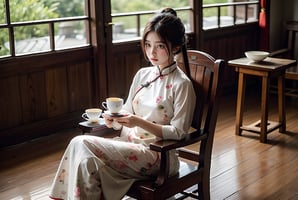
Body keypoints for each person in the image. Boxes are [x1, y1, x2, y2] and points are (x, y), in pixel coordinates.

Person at [49, 7, 196, 200]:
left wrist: (138, 122)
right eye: (148, 44)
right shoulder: (143, 75)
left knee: (80, 141)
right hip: (129, 147)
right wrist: (114, 121)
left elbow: (179, 133)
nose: (152, 52)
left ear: (176, 47)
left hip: (159, 157)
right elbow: (127, 111)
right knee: (87, 164)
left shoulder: (182, 84)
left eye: (160, 46)